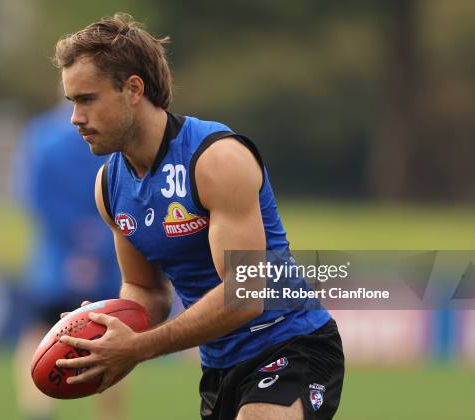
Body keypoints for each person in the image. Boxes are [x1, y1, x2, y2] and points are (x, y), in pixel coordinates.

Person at [53, 13, 345, 420]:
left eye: (87, 99)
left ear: (133, 89)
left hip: (291, 344)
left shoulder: (215, 159)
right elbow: (145, 290)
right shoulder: (109, 186)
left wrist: (140, 347)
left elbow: (244, 296)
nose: (75, 118)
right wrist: (104, 329)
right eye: (72, 102)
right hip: (220, 367)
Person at [12, 100, 124, 420]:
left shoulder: (40, 136)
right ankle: (109, 416)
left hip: (56, 258)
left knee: (38, 333)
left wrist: (76, 245)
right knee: (114, 337)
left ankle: (38, 411)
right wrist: (95, 245)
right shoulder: (114, 135)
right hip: (106, 253)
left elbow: (35, 198)